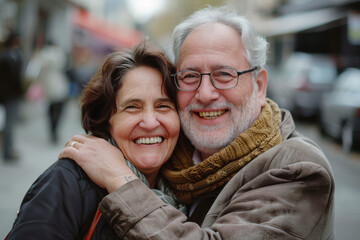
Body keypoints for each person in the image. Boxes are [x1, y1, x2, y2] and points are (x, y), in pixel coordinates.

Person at [59, 6, 335, 240]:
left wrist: (120, 180)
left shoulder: (299, 167)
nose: (205, 94)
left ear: (259, 85)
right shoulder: (163, 153)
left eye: (224, 74)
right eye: (190, 76)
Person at [7, 42, 185, 239]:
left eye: (163, 106)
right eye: (132, 107)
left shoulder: (187, 189)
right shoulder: (68, 182)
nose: (150, 122)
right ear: (106, 120)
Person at [37, 40, 69, 143]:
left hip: (49, 86)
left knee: (51, 109)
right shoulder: (57, 54)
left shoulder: (43, 55)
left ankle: (52, 130)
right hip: (57, 86)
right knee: (57, 109)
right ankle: (53, 130)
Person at [0, 32, 24, 161]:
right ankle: (7, 151)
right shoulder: (5, 56)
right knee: (8, 124)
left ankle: (8, 149)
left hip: (13, 95)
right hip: (8, 96)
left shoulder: (15, 55)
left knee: (10, 124)